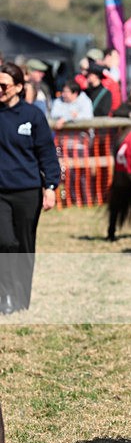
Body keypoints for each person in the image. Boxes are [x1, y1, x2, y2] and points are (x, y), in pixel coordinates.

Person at [0, 62, 60, 314]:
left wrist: (50, 186)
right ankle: (3, 299)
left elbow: (46, 153)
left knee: (24, 246)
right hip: (0, 192)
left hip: (27, 191)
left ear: (18, 87)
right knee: (4, 242)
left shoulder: (33, 116)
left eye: (3, 85)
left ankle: (21, 301)